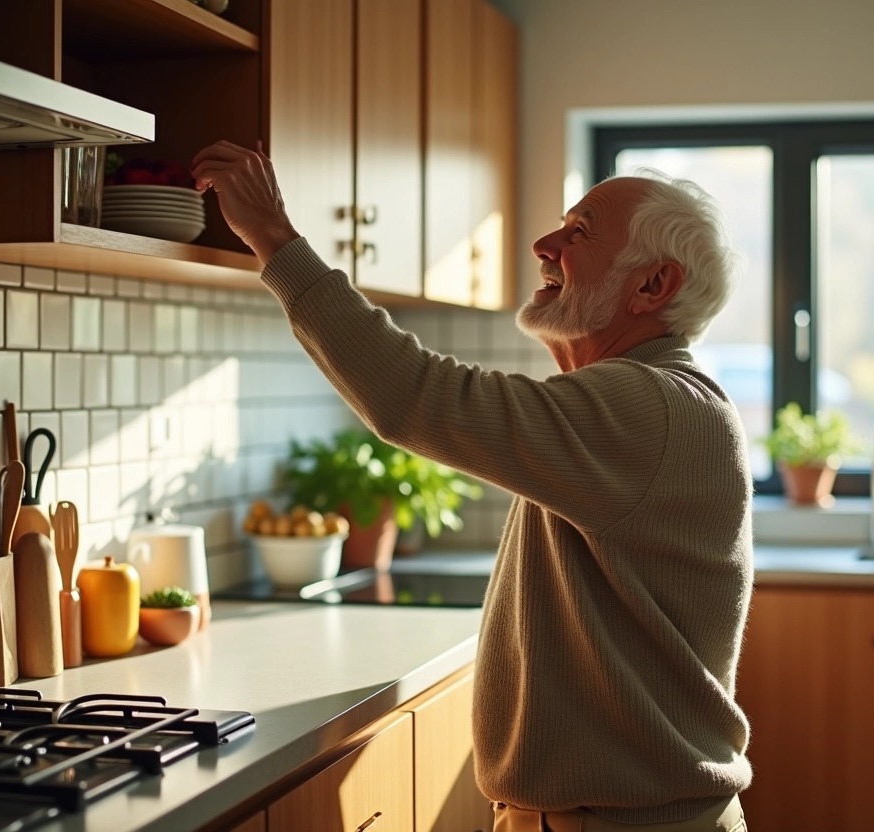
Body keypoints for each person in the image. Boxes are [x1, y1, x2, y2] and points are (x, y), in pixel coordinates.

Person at [192, 140, 754, 832]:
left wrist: (274, 238)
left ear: (651, 287)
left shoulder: (650, 407)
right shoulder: (648, 404)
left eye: (578, 233)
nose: (544, 243)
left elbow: (415, 396)